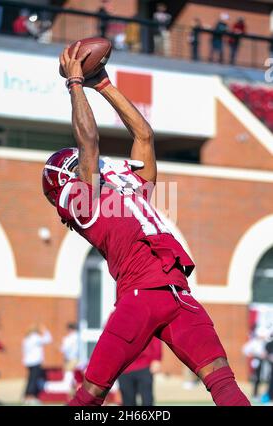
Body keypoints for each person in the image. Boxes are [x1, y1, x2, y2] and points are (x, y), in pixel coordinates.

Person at [42, 42, 251, 406]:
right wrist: (75, 83)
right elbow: (89, 142)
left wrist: (104, 85)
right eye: (78, 167)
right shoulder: (83, 203)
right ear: (67, 182)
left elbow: (144, 136)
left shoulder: (127, 188)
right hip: (138, 299)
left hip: (179, 294)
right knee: (90, 396)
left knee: (223, 379)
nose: (96, 167)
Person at [118, 337, 161, 406]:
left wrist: (156, 358)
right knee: (128, 402)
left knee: (147, 400)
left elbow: (155, 337)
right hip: (123, 368)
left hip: (145, 365)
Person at [22, 324, 52, 404]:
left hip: (28, 362)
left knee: (30, 379)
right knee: (34, 380)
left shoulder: (26, 338)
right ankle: (31, 396)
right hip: (35, 361)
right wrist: (45, 331)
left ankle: (26, 396)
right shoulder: (35, 337)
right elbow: (48, 340)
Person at [242, 327, 267, 400]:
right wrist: (254, 354)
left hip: (262, 361)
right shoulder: (254, 342)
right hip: (256, 361)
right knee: (256, 378)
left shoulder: (263, 342)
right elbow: (245, 350)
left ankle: (257, 394)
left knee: (259, 378)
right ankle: (254, 394)